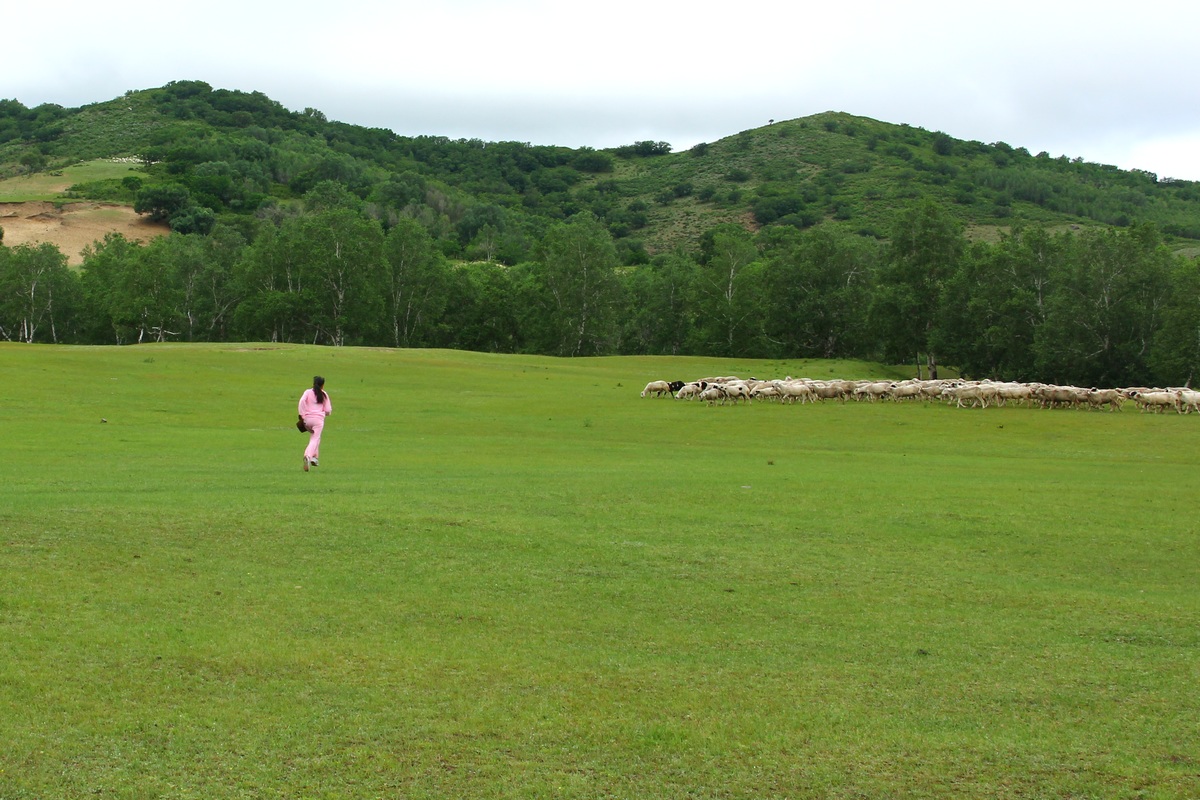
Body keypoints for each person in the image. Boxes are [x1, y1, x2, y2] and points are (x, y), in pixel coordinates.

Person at [298, 376, 332, 472]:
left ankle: (315, 458)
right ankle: (308, 456)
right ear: (323, 385)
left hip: (307, 420)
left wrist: (302, 414)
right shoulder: (324, 394)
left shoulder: (308, 392)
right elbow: (328, 410)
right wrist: (325, 413)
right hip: (318, 420)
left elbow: (302, 401)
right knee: (315, 439)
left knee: (315, 436)